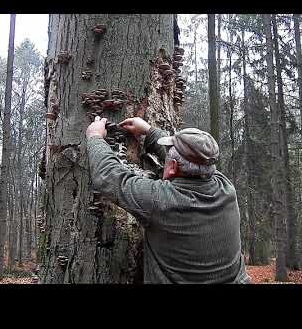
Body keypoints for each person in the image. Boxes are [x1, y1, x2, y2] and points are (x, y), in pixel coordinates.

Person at [86, 115, 251, 284]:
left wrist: (95, 137)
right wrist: (149, 131)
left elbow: (108, 177)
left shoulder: (161, 201)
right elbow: (192, 159)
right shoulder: (226, 188)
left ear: (171, 167)